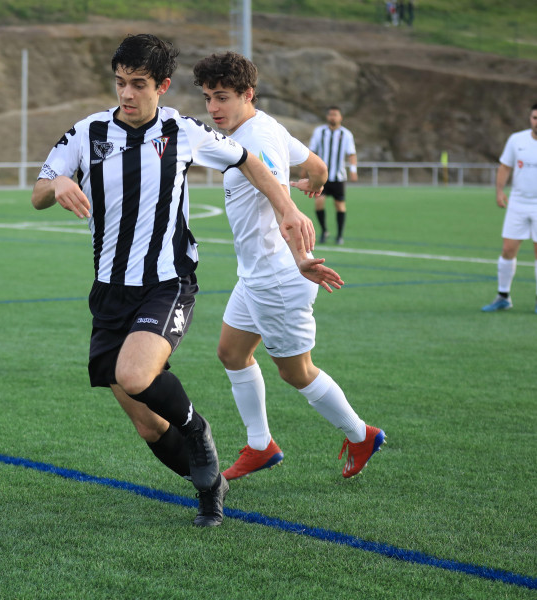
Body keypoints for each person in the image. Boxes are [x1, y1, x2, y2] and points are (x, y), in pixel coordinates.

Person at [31, 34, 316, 527]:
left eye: (138, 85)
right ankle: (210, 488)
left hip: (168, 281)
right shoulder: (88, 132)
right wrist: (56, 183)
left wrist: (287, 208)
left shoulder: (183, 130)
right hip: (109, 289)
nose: (126, 94)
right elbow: (38, 191)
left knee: (136, 375)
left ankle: (200, 431)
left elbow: (247, 160)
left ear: (161, 86)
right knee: (144, 421)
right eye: (120, 83)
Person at [192, 52, 385, 481]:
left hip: (280, 276)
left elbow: (286, 211)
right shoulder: (263, 126)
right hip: (256, 275)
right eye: (207, 98)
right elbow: (317, 166)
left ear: (248, 94)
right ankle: (261, 446)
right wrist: (310, 182)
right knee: (231, 353)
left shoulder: (257, 139)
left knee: (296, 372)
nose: (213, 108)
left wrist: (300, 257)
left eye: (222, 97)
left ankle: (361, 434)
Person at [481, 103, 537, 313]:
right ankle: (503, 296)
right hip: (518, 203)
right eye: (534, 117)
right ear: (530, 118)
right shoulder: (517, 140)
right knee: (507, 249)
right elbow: (505, 166)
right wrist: (499, 191)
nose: (536, 122)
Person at [306, 106, 357, 245]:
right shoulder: (319, 132)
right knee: (319, 203)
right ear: (327, 117)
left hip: (338, 177)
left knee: (339, 205)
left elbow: (351, 153)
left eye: (335, 114)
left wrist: (353, 170)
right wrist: (306, 169)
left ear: (340, 117)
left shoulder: (346, 134)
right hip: (321, 176)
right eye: (330, 114)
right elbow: (312, 151)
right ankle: (324, 231)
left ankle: (340, 235)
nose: (332, 117)